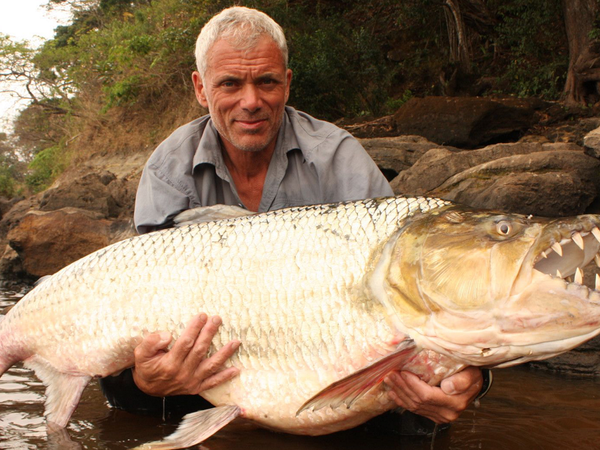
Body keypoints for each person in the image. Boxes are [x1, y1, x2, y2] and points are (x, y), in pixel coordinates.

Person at [100, 5, 486, 431]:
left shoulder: (338, 156)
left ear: (286, 83)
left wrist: (472, 375)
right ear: (201, 89)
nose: (251, 102)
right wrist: (147, 379)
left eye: (266, 81)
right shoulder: (167, 169)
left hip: (327, 350)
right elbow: (141, 299)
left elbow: (413, 291)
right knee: (124, 387)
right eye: (230, 84)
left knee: (419, 411)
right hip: (213, 360)